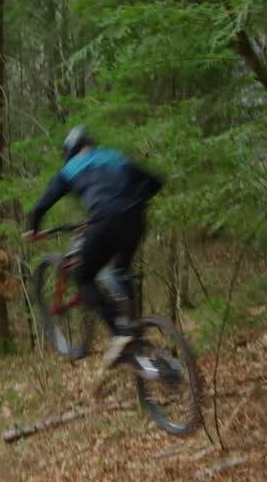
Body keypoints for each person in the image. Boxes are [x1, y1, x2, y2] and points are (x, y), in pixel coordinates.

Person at [24, 125, 163, 371]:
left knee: (83, 275)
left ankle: (121, 334)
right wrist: (129, 203)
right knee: (120, 271)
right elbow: (155, 182)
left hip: (106, 220)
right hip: (136, 218)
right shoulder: (115, 157)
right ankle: (134, 328)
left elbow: (41, 206)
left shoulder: (69, 169)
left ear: (70, 152)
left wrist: (33, 229)